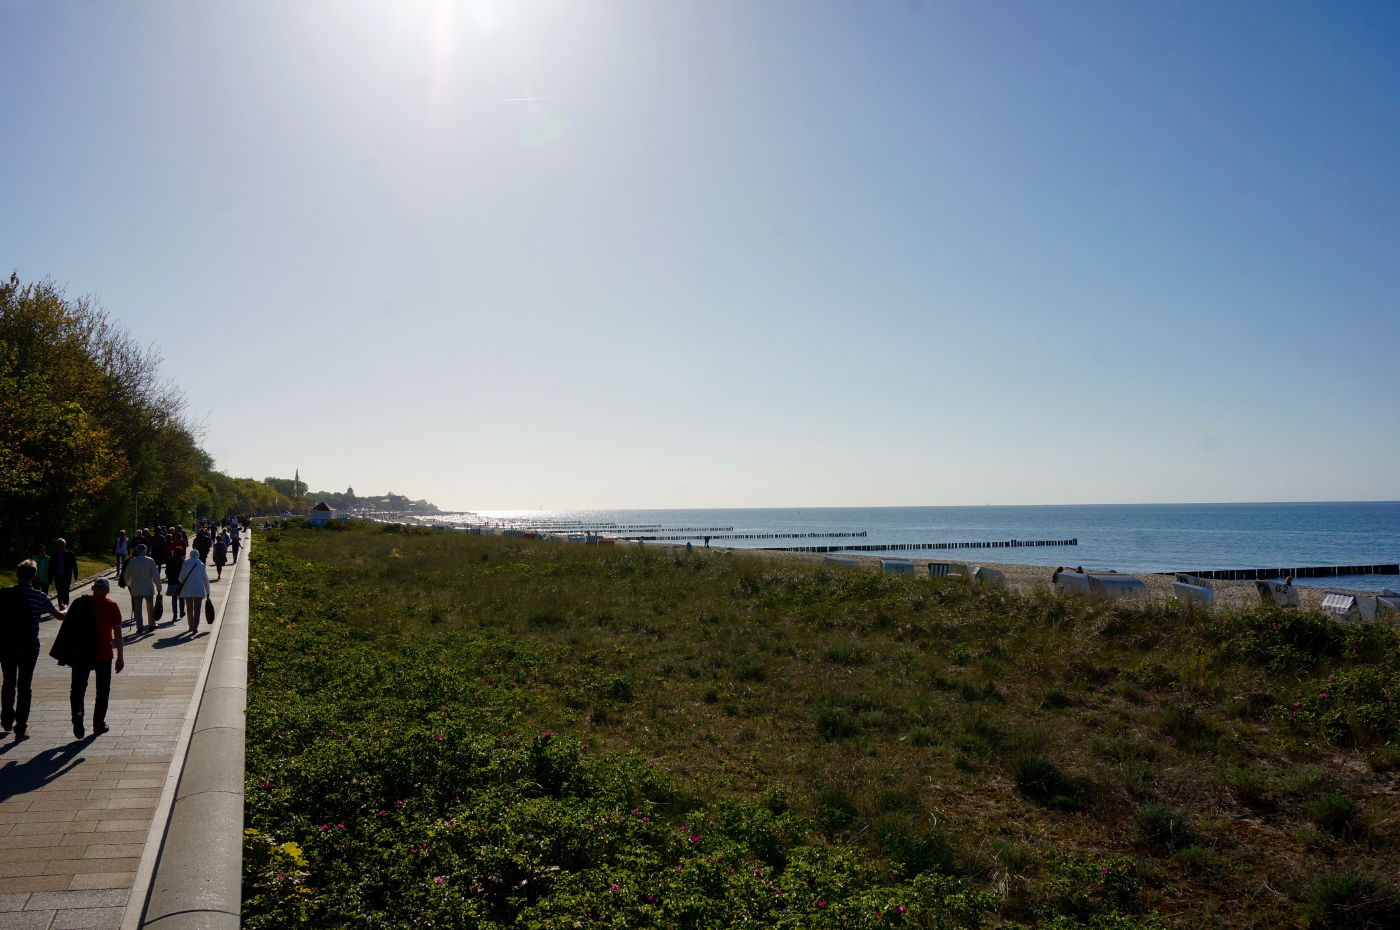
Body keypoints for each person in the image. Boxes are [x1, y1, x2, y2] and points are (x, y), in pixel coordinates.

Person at [1, 560, 64, 741]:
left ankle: (6, 718)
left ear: (17, 574)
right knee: (24, 687)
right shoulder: (39, 597)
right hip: (29, 647)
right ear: (34, 576)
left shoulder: (4, 594)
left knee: (8, 682)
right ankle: (21, 728)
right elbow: (58, 616)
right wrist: (65, 609)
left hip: (6, 645)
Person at [54, 577, 124, 738]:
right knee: (103, 690)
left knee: (78, 689)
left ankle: (78, 717)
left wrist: (63, 609)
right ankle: (98, 724)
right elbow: (118, 635)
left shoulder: (80, 604)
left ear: (92, 588)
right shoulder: (112, 606)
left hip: (82, 653)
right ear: (107, 591)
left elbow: (67, 623)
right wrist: (120, 657)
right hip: (104, 653)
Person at [125, 544, 161, 632]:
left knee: (137, 608)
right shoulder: (150, 561)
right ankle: (151, 624)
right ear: (145, 551)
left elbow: (126, 575)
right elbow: (155, 575)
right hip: (148, 588)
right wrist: (158, 586)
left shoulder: (132, 561)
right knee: (150, 607)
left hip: (136, 587)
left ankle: (139, 626)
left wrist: (130, 584)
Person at [175, 549, 210, 634]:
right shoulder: (201, 565)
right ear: (198, 555)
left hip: (187, 589)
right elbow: (205, 579)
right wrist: (208, 591)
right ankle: (195, 627)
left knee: (189, 608)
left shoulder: (185, 563)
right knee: (197, 609)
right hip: (199, 589)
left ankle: (190, 626)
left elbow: (181, 578)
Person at [52, 538, 79, 609]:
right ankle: (60, 604)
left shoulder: (70, 554)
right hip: (57, 576)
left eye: (64, 544)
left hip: (66, 576)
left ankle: (65, 604)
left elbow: (74, 565)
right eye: (61, 544)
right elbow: (51, 566)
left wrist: (76, 574)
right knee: (59, 591)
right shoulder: (55, 554)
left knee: (66, 590)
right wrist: (50, 576)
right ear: (58, 545)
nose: (63, 546)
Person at [164, 550, 187, 621]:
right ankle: (182, 612)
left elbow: (166, 571)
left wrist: (169, 576)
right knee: (181, 598)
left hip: (172, 582)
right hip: (180, 582)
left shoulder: (170, 561)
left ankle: (175, 614)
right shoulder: (183, 561)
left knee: (174, 598)